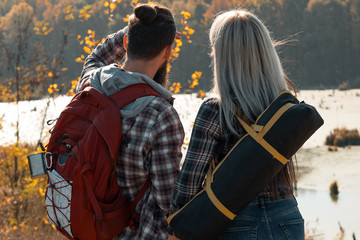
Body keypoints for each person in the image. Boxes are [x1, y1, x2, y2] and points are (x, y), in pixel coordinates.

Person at [171, 9, 304, 239]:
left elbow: (187, 187)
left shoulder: (216, 110)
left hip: (236, 223)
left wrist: (174, 223)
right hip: (287, 216)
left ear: (222, 56)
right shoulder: (283, 105)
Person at [76, 3, 185, 239]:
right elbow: (170, 202)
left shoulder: (90, 83)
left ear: (126, 43)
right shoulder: (161, 115)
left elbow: (97, 56)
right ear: (168, 52)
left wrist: (132, 29)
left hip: (89, 228)